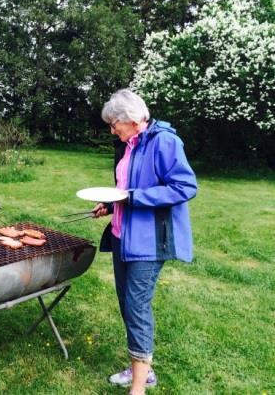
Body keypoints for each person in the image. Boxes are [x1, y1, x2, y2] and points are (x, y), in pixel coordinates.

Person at [92, 89, 197, 394]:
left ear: (132, 120)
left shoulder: (164, 141)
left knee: (137, 308)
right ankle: (142, 369)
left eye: (114, 124)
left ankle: (138, 387)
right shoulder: (131, 144)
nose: (112, 130)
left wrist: (134, 198)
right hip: (122, 236)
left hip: (148, 243)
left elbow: (185, 187)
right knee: (128, 306)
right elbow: (128, 187)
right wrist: (112, 204)